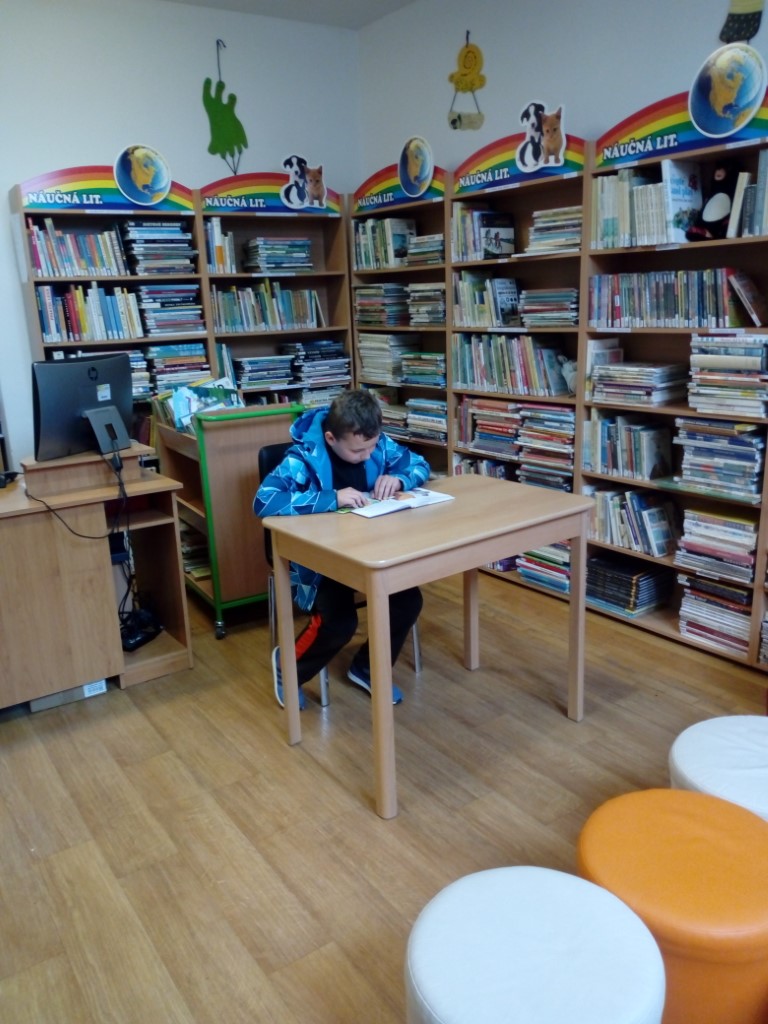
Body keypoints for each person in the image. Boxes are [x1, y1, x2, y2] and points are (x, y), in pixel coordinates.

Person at [254, 389, 430, 709]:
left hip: (371, 548)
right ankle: (288, 668)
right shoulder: (302, 459)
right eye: (358, 450)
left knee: (408, 602)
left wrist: (400, 479)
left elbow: (419, 464)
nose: (368, 455)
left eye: (372, 446)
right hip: (318, 560)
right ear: (331, 438)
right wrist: (331, 499)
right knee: (339, 622)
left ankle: (367, 668)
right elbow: (264, 501)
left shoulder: (376, 442)